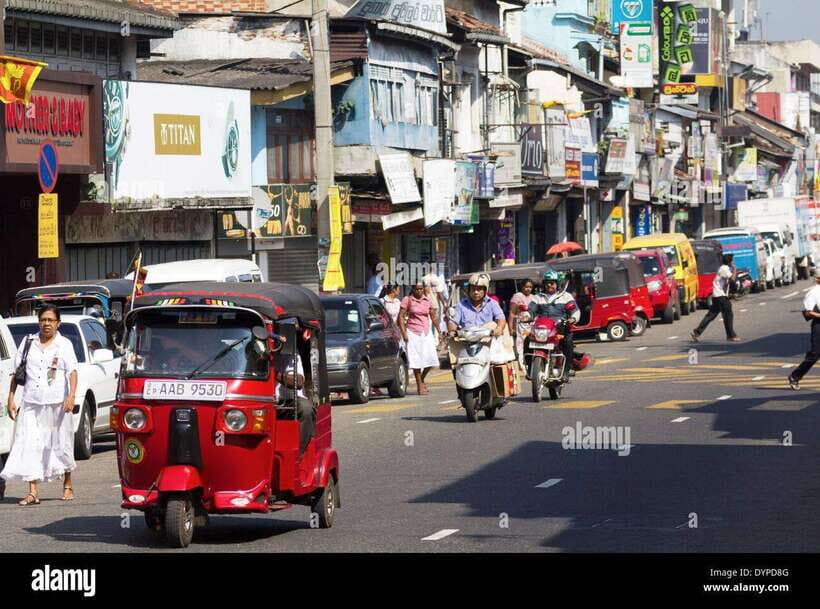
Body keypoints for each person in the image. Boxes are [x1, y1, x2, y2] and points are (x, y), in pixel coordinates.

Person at [1, 305, 79, 505]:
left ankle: (67, 484)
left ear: (57, 323)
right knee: (30, 445)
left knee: (60, 444)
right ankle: (33, 491)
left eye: (50, 320)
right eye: (43, 320)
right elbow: (17, 373)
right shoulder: (28, 342)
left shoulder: (64, 345)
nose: (46, 324)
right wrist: (11, 398)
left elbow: (72, 372)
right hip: (31, 403)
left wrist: (71, 396)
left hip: (57, 404)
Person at [528, 270, 580, 382]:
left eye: (552, 283)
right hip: (542, 328)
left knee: (568, 342)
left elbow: (575, 310)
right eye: (547, 283)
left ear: (557, 283)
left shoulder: (566, 296)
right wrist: (527, 316)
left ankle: (567, 370)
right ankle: (529, 368)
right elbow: (530, 310)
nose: (549, 285)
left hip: (561, 328)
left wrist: (573, 318)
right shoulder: (537, 297)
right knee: (527, 340)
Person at [398, 281, 439, 395]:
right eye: (417, 289)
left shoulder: (427, 300)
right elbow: (400, 317)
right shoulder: (408, 300)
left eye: (421, 289)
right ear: (413, 289)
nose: (420, 291)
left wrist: (440, 331)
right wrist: (404, 333)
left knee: (431, 359)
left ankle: (421, 379)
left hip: (426, 332)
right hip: (413, 332)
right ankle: (419, 385)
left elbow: (433, 316)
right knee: (416, 360)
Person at [690, 254, 741, 343]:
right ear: (729, 262)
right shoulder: (724, 269)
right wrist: (735, 269)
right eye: (732, 261)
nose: (733, 262)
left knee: (711, 315)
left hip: (717, 296)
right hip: (720, 296)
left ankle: (697, 332)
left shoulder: (724, 268)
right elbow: (732, 279)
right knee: (728, 315)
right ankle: (731, 336)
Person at [448, 273, 507, 337]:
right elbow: (453, 322)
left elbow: (501, 318)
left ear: (485, 290)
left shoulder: (492, 304)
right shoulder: (461, 305)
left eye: (479, 289)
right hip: (466, 340)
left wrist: (499, 328)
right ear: (469, 290)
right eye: (473, 289)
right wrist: (452, 331)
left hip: (487, 339)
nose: (476, 292)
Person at [788, 273, 820, 390]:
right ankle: (795, 376)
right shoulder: (813, 292)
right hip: (819, 325)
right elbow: (808, 312)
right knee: (815, 354)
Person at [508, 279, 537, 368]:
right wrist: (510, 328)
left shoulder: (534, 297)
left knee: (532, 344)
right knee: (520, 346)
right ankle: (521, 365)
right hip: (521, 325)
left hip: (532, 325)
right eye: (526, 287)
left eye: (530, 287)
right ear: (522, 287)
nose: (528, 289)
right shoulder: (517, 296)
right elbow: (512, 313)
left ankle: (532, 365)